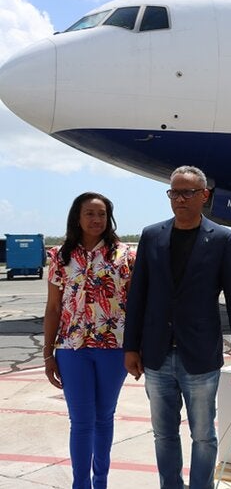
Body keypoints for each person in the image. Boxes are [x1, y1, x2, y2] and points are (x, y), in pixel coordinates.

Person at [124, 165, 231, 489]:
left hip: (199, 356)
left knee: (203, 434)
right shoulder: (152, 235)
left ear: (204, 196)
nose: (180, 199)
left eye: (187, 193)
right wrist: (131, 346)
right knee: (164, 433)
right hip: (156, 354)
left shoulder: (223, 239)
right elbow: (138, 293)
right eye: (174, 192)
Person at [43, 192, 135, 489]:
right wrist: (47, 354)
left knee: (104, 418)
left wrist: (137, 347)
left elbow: (135, 305)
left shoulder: (125, 255)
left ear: (108, 219)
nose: (96, 219)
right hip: (72, 349)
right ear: (77, 217)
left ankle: (101, 482)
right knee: (81, 422)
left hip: (114, 347)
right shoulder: (60, 256)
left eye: (101, 214)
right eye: (89, 213)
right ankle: (80, 485)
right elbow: (54, 308)